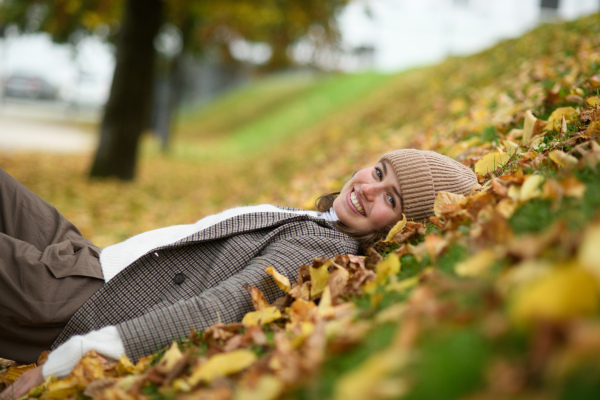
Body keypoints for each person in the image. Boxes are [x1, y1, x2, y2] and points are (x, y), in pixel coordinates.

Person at [0, 149, 477, 399]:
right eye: (378, 171)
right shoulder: (319, 220)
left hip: (81, 299)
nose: (369, 189)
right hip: (97, 259)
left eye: (391, 198)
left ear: (399, 228)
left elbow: (221, 306)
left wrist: (76, 356)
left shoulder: (321, 249)